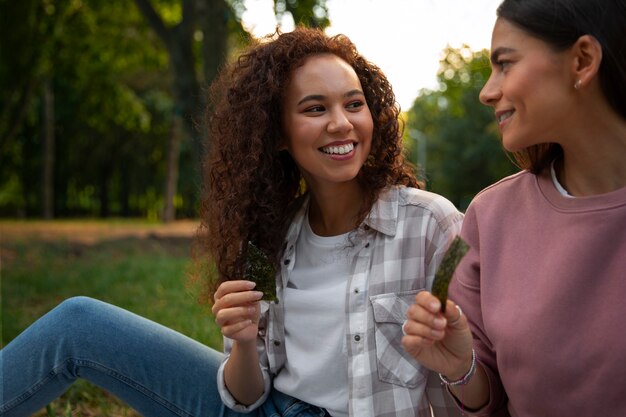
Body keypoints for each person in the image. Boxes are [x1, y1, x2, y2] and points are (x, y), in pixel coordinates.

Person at [1, 27, 464, 417]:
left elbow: (480, 380)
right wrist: (242, 343)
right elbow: (246, 396)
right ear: (279, 134)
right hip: (270, 408)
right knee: (78, 324)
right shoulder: (267, 236)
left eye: (354, 104)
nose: (341, 123)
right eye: (315, 108)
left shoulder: (432, 224)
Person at [401, 0, 626, 416]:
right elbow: (485, 392)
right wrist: (460, 368)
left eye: (505, 64)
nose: (487, 91)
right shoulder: (483, 217)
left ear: (582, 60)